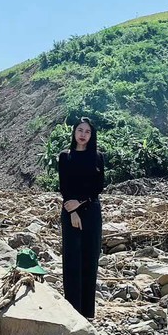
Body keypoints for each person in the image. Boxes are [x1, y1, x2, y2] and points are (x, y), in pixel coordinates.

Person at [58, 116, 105, 319]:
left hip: (91, 211)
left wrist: (82, 203)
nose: (83, 135)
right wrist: (73, 211)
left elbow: (98, 187)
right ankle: (72, 309)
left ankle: (87, 312)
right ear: (74, 132)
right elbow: (64, 186)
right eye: (80, 130)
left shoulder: (97, 157)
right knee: (72, 259)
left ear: (91, 135)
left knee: (89, 258)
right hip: (70, 212)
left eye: (87, 131)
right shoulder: (65, 156)